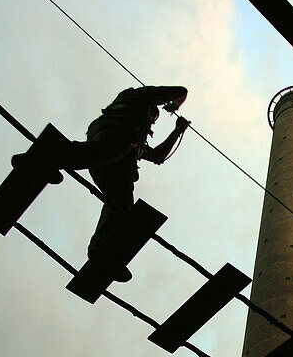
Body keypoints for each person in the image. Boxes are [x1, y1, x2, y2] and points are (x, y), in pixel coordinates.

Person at [13, 85, 189, 281]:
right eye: (152, 115)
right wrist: (174, 104)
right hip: (113, 135)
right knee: (101, 153)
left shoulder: (135, 140)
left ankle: (102, 248)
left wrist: (177, 131)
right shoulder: (137, 97)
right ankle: (41, 157)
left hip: (115, 161)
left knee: (121, 202)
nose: (150, 121)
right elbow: (180, 91)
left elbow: (157, 155)